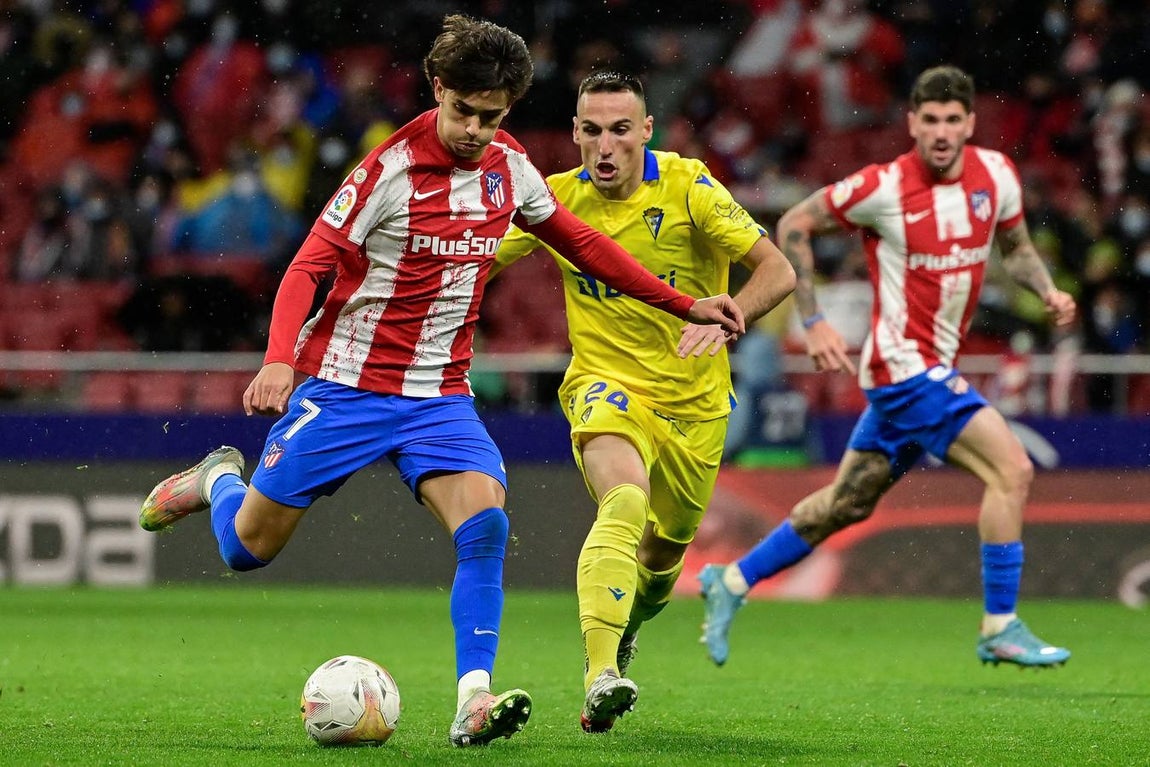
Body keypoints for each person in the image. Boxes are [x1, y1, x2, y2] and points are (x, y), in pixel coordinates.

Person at [137, 15, 745, 749]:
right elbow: (307, 265)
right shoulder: (386, 172)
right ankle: (216, 481)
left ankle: (473, 699)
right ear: (437, 90)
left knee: (486, 525)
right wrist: (277, 359)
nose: (475, 130)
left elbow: (584, 244)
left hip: (439, 397)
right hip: (345, 387)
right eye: (464, 112)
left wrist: (686, 303)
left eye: (492, 117)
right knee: (245, 549)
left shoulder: (509, 166)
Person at [699, 65, 1078, 670]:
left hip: (923, 372)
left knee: (845, 504)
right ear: (912, 123)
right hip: (904, 368)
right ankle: (1000, 625)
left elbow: (1019, 249)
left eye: (953, 119)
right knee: (1012, 470)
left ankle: (734, 580)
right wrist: (813, 319)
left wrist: (1048, 290)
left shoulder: (998, 176)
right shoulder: (883, 186)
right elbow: (795, 222)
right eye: (930, 120)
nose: (942, 131)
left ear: (971, 123)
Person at [493, 71, 795, 733]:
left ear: (646, 131)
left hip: (695, 404)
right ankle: (601, 672)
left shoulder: (690, 187)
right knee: (623, 497)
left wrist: (730, 313)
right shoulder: (555, 200)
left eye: (620, 130)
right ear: (574, 133)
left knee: (662, 559)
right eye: (592, 131)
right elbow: (472, 259)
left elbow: (779, 269)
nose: (605, 146)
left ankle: (626, 629)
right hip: (605, 384)